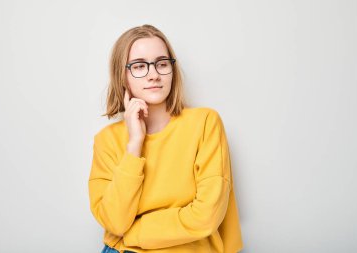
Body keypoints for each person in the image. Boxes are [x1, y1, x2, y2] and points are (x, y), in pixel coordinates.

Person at [88, 24, 244, 253]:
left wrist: (134, 233)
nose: (154, 74)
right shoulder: (107, 140)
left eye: (162, 63)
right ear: (122, 76)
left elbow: (206, 216)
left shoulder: (204, 123)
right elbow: (115, 222)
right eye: (140, 66)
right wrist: (134, 145)